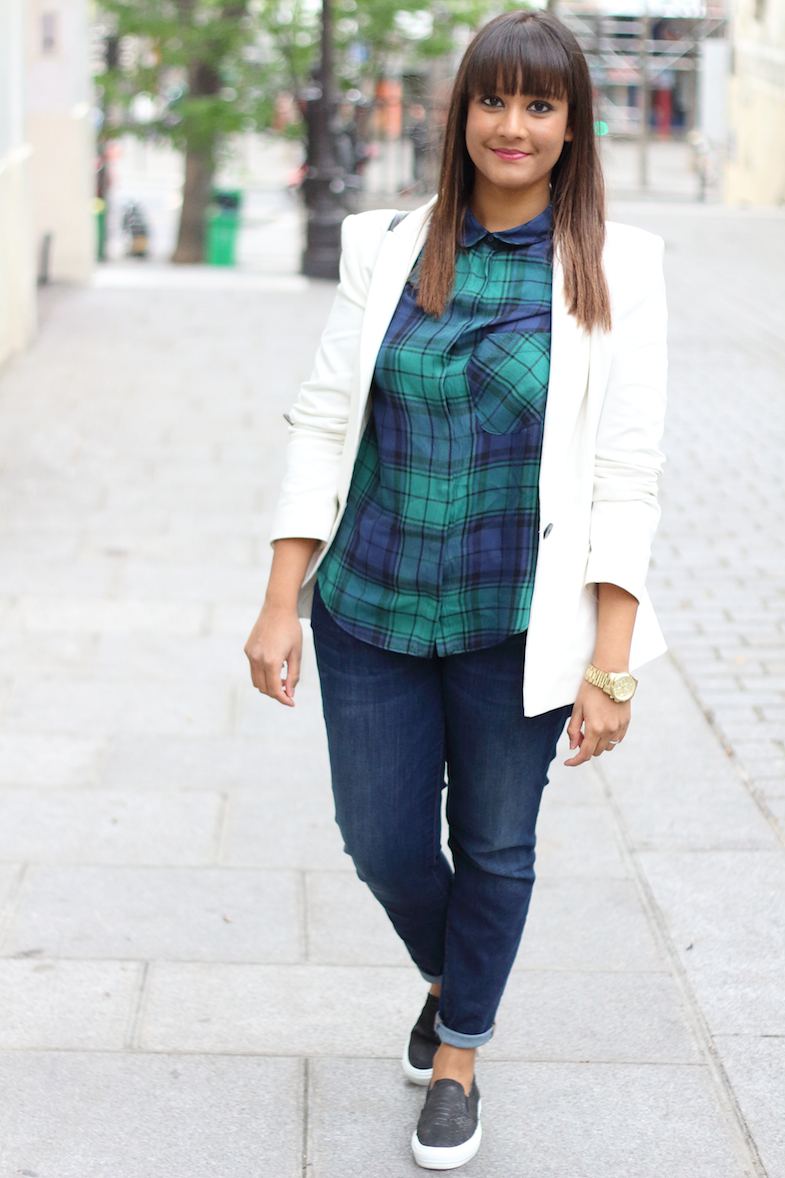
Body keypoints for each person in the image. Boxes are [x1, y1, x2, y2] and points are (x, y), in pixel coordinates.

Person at [245, 10, 667, 1171]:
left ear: (572, 125)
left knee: (493, 841)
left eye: (537, 103)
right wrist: (279, 598)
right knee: (378, 839)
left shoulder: (617, 267)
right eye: (492, 99)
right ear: (460, 113)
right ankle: (452, 977)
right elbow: (322, 417)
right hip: (369, 603)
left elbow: (626, 471)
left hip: (512, 622)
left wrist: (612, 662)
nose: (510, 124)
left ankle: (459, 1052)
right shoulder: (385, 244)